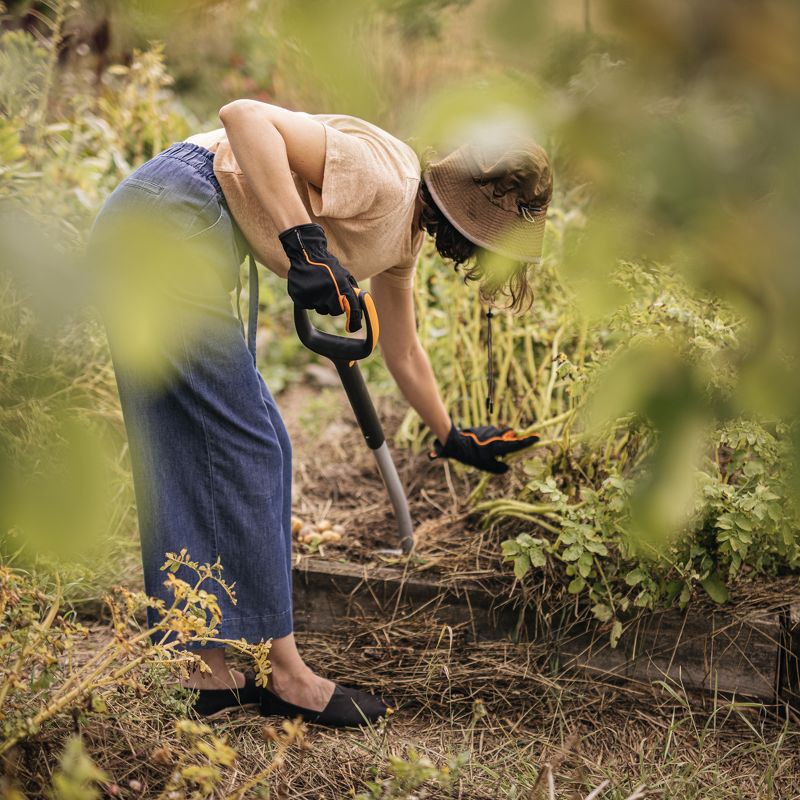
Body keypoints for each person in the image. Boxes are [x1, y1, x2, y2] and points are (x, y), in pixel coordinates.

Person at [87, 100, 552, 727]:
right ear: (465, 212)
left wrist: (452, 435)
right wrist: (303, 244)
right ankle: (286, 676)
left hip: (153, 225)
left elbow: (403, 347)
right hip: (172, 218)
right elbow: (244, 118)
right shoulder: (385, 176)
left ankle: (200, 668)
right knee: (254, 446)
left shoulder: (404, 234)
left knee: (180, 445)